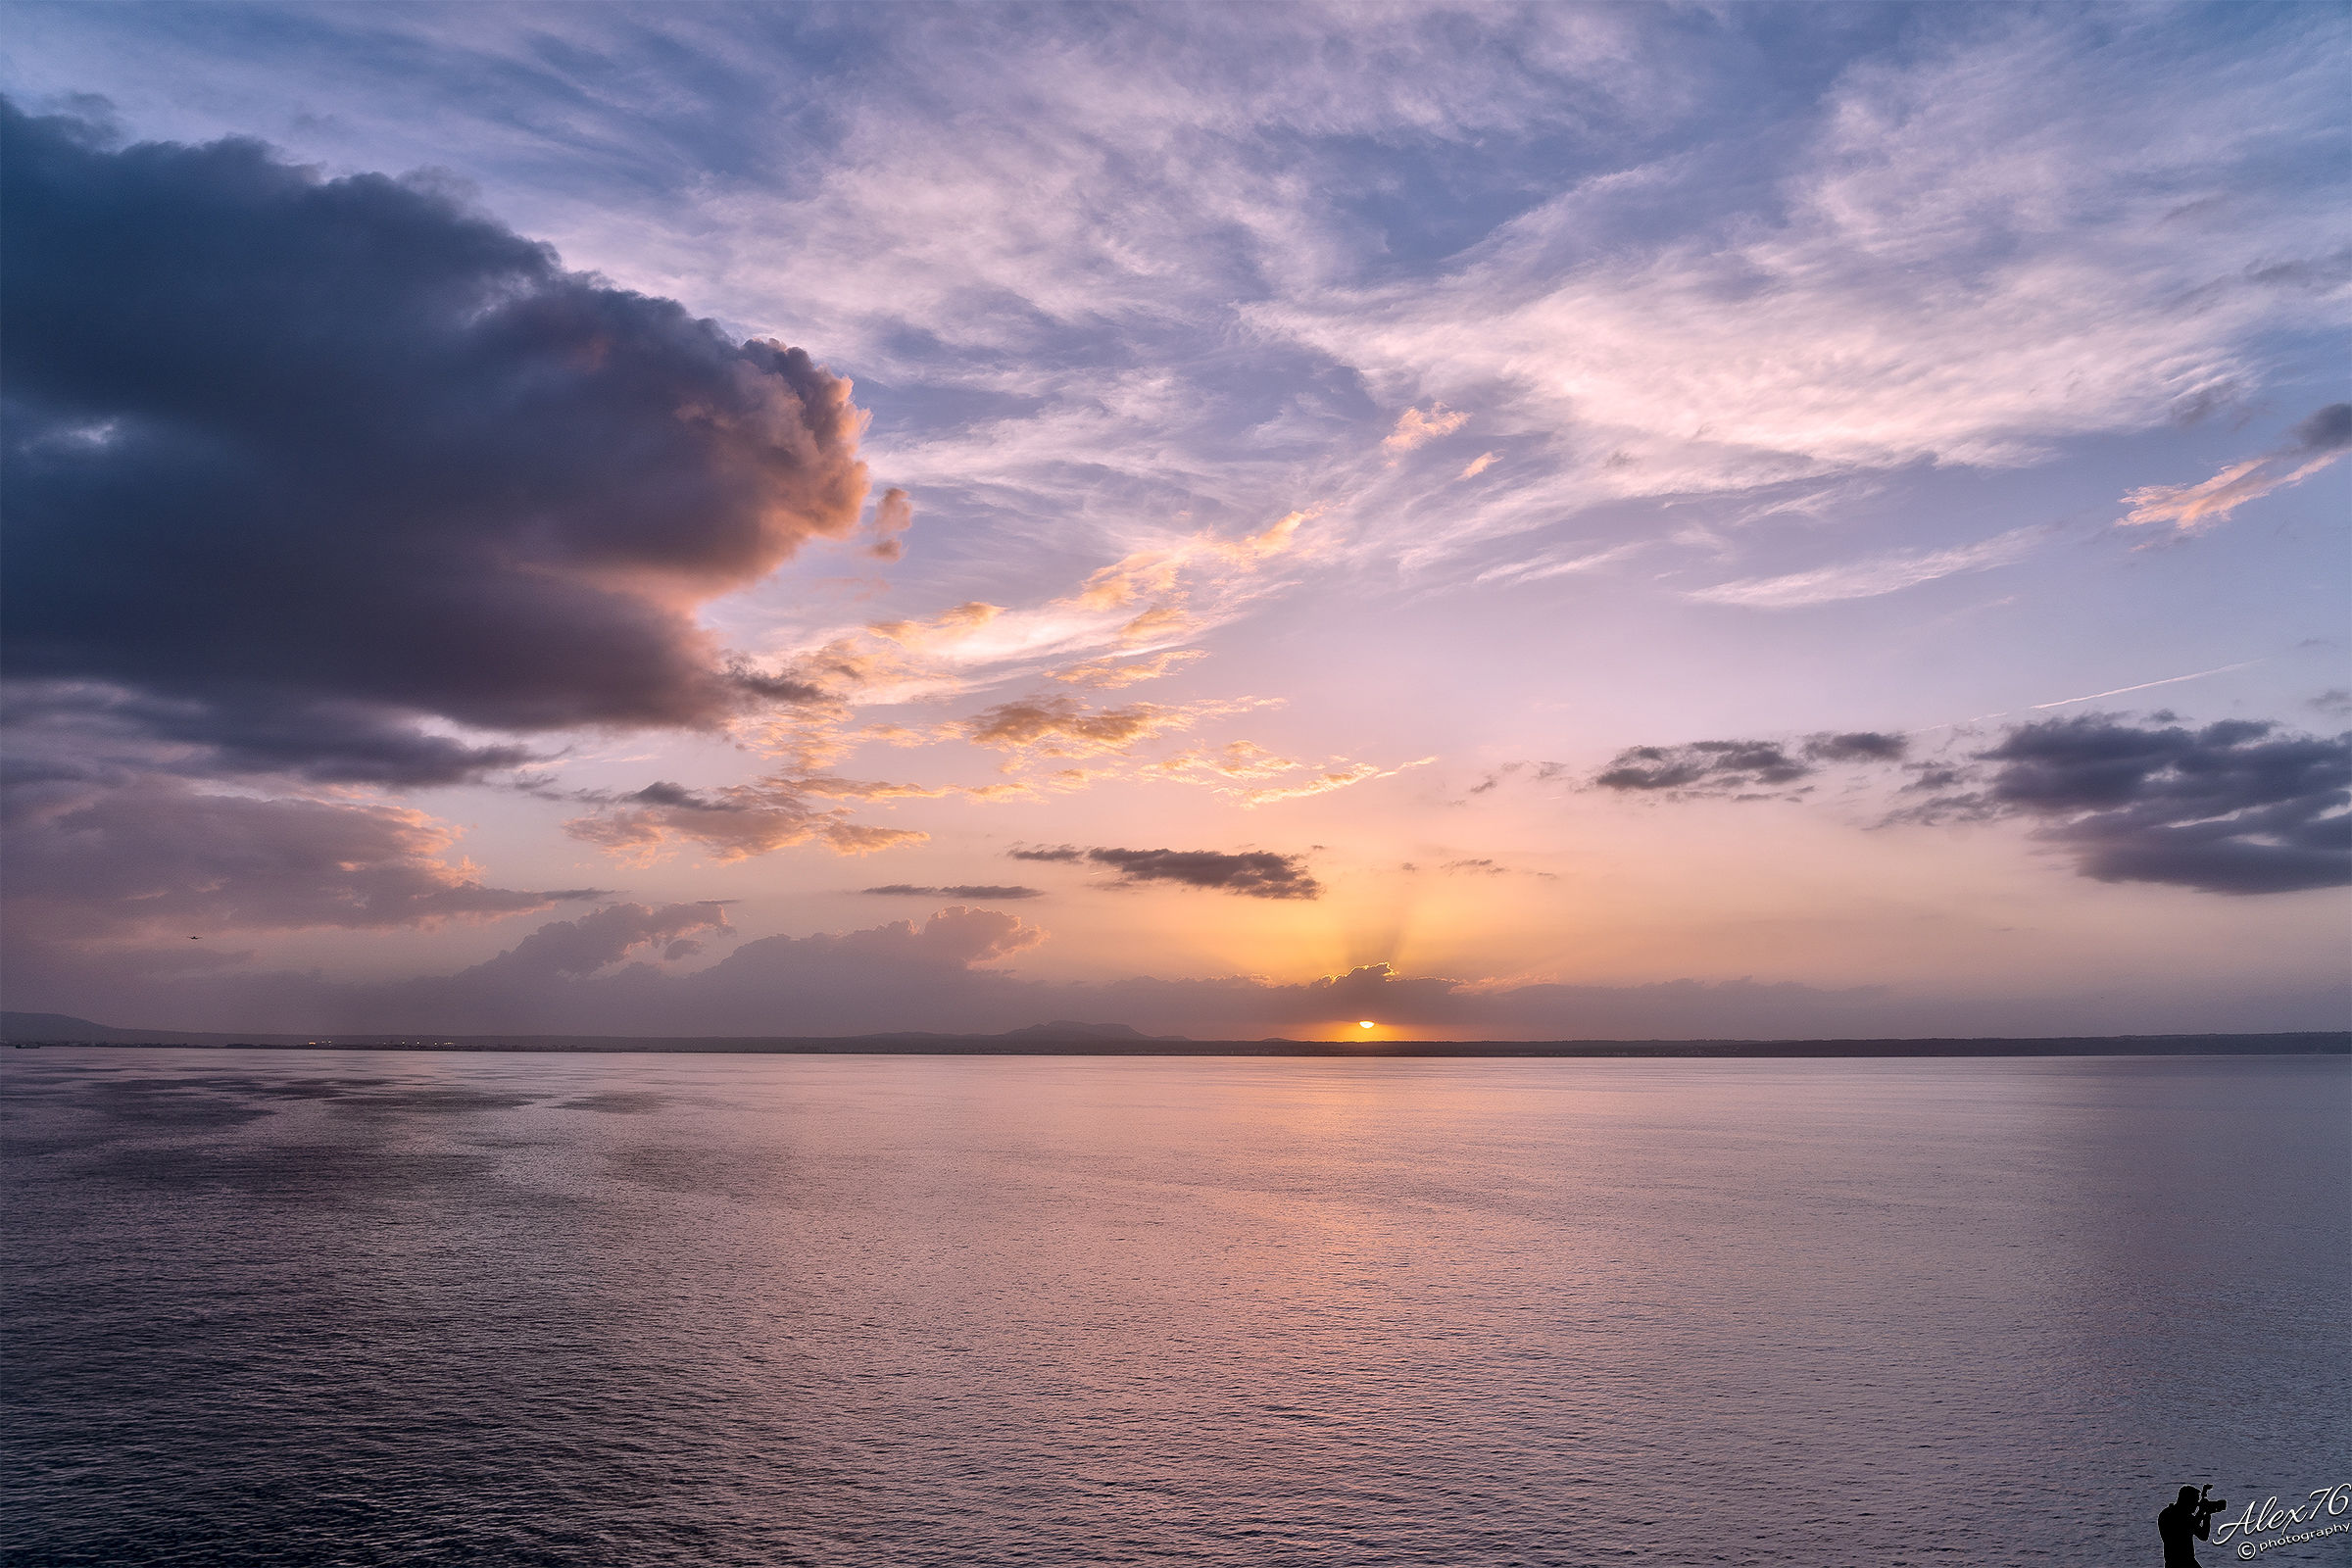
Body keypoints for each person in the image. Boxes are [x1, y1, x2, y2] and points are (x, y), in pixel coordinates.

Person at [2157, 1485, 2216, 1567]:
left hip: (2181, 1562)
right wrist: (2201, 1512)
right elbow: (2185, 1527)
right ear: (2187, 1501)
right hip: (2180, 1563)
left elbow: (2203, 1536)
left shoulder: (2169, 1514)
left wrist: (2207, 1517)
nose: (2196, 1505)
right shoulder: (2170, 1515)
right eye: (2195, 1502)